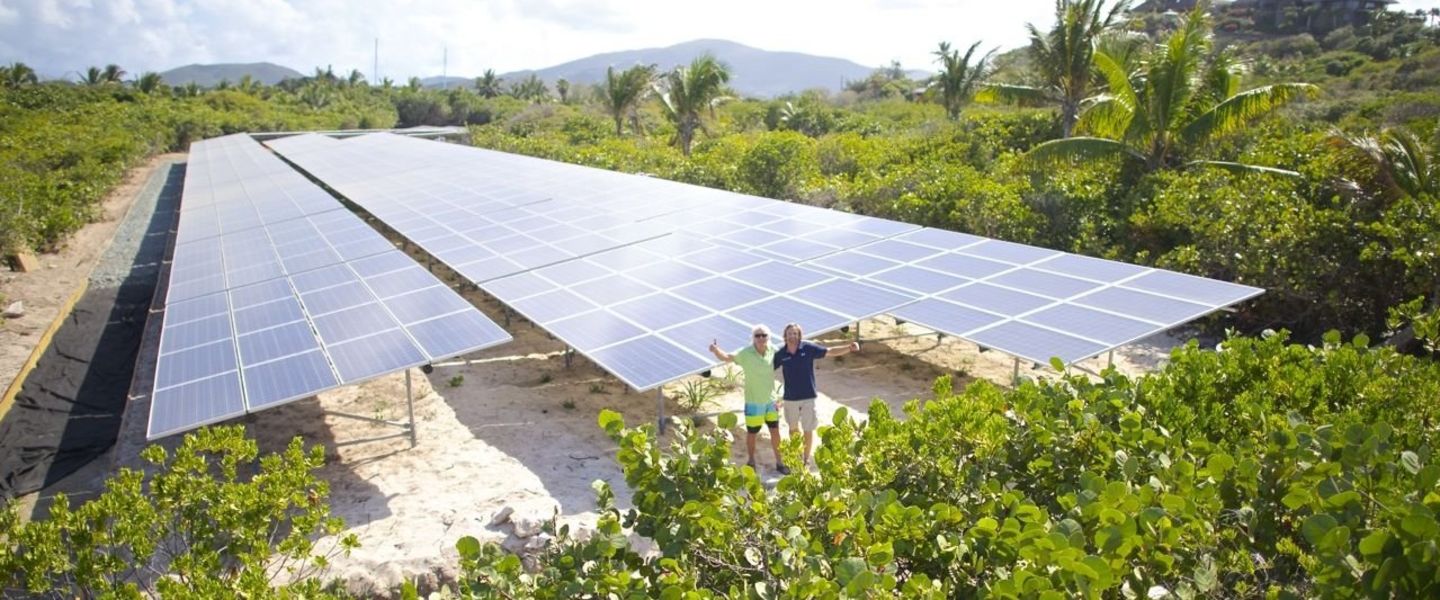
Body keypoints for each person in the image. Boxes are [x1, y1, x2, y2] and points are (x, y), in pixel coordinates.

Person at [773, 322, 858, 468]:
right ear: (785, 336)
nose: (792, 336)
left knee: (808, 428)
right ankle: (796, 455)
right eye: (789, 334)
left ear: (799, 335)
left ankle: (805, 459)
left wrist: (848, 349)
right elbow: (767, 369)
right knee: (793, 428)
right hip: (790, 398)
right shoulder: (781, 354)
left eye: (795, 333)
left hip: (808, 397)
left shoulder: (808, 348)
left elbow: (830, 351)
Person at [708, 325, 789, 475]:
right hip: (753, 403)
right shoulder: (745, 353)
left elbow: (788, 360)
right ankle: (751, 460)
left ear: (768, 337)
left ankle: (780, 462)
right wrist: (715, 350)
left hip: (771, 402)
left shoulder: (773, 351)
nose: (761, 338)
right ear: (753, 338)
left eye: (764, 335)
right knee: (752, 433)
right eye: (757, 335)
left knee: (775, 432)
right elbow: (726, 358)